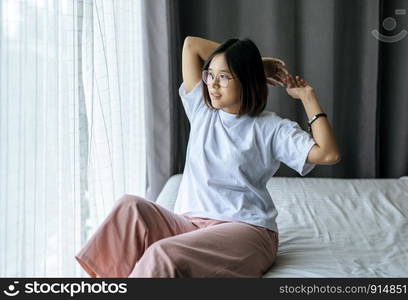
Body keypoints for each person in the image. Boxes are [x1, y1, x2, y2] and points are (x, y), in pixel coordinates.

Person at [75, 36, 340, 278]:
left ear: (246, 80)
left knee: (162, 254)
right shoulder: (202, 111)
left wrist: (307, 97)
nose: (212, 84)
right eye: (210, 74)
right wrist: (257, 65)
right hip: (191, 226)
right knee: (129, 207)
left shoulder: (270, 128)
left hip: (246, 230)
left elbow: (327, 153)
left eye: (224, 77)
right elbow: (190, 45)